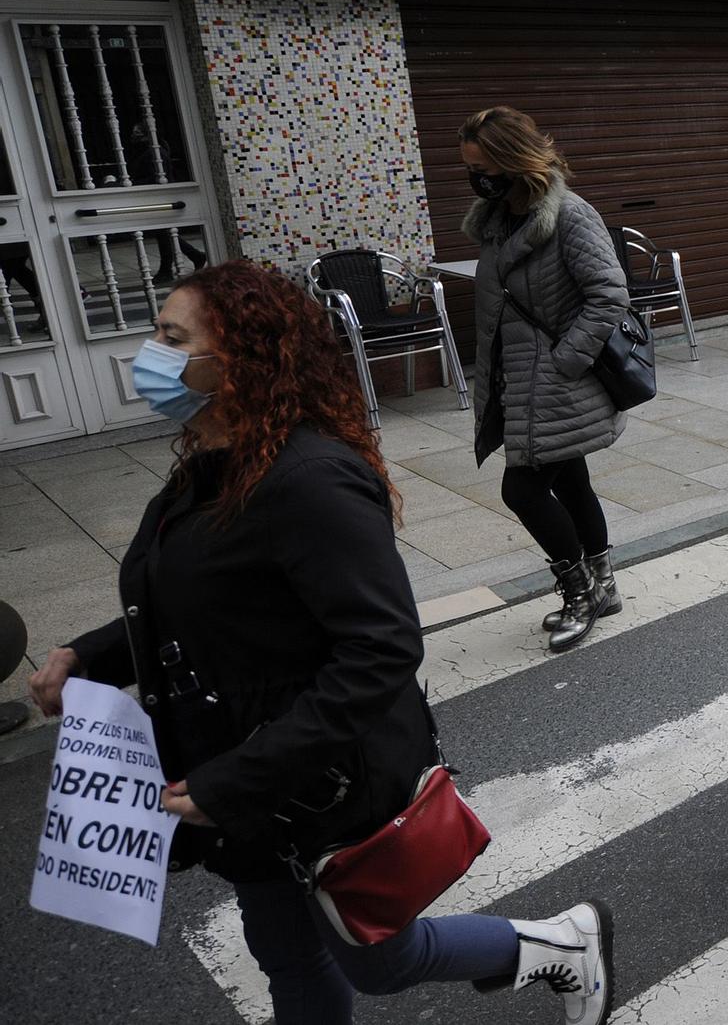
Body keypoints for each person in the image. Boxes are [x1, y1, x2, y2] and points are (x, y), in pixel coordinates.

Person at [27, 261, 613, 1025]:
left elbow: (382, 650)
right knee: (288, 954)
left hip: (316, 777)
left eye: (172, 338)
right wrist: (87, 654)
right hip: (244, 774)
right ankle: (559, 946)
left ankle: (563, 945)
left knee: (379, 957)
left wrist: (237, 779)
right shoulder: (210, 464)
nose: (151, 354)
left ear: (242, 354)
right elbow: (193, 596)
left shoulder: (308, 480)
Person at [461, 106, 631, 654]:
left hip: (556, 380)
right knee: (570, 480)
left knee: (522, 487)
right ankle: (603, 585)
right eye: (469, 167)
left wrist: (565, 362)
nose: (477, 178)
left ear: (514, 160)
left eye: (485, 165)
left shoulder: (570, 216)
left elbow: (609, 296)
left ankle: (580, 594)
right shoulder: (498, 219)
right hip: (518, 380)